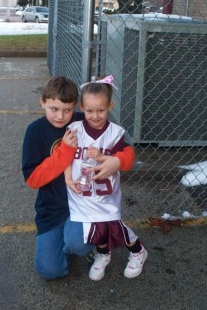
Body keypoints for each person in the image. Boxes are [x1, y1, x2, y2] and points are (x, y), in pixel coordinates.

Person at [22, 75, 135, 280]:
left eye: (67, 110)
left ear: (77, 107)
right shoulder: (35, 132)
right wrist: (64, 151)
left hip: (86, 206)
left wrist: (117, 161)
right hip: (53, 209)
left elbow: (124, 148)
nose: (60, 116)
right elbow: (33, 180)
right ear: (43, 102)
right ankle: (64, 244)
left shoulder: (85, 121)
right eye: (53, 109)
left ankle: (79, 244)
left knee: (78, 244)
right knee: (50, 271)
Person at [64, 75, 148, 281]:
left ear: (110, 106)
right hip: (81, 193)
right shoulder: (74, 130)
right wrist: (67, 178)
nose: (95, 115)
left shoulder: (116, 134)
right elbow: (64, 157)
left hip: (106, 195)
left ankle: (138, 250)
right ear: (82, 107)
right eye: (90, 110)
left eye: (101, 110)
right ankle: (103, 253)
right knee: (95, 229)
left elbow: (127, 158)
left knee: (112, 227)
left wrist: (102, 157)